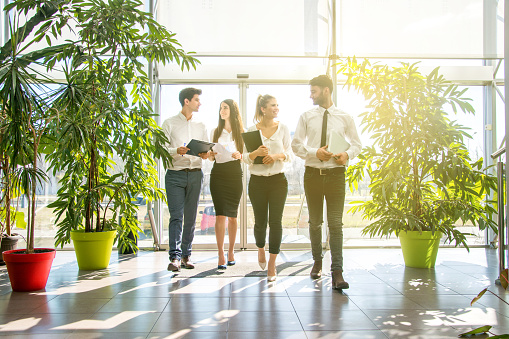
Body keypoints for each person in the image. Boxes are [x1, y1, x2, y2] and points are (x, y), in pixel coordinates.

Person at [292, 75, 362, 289]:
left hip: (336, 175)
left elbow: (357, 144)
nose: (310, 95)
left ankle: (337, 272)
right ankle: (317, 262)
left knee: (336, 224)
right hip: (312, 174)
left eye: (313, 91)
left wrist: (347, 155)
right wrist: (315, 152)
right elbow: (296, 145)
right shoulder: (306, 116)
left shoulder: (345, 116)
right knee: (314, 222)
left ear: (326, 91)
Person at [244, 94, 293, 282]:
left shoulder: (283, 128)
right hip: (257, 181)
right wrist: (256, 152)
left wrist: (276, 156)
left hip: (278, 181)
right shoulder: (251, 130)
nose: (277, 108)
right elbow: (245, 157)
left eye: (277, 105)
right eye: (273, 105)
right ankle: (260, 248)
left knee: (276, 222)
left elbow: (289, 153)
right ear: (263, 109)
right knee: (260, 222)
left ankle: (272, 264)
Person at [161, 87, 209, 272]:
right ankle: (174, 257)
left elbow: (206, 149)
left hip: (196, 173)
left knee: (190, 217)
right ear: (186, 101)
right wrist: (176, 150)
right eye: (197, 99)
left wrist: (206, 154)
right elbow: (161, 148)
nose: (200, 103)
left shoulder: (201, 125)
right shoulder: (169, 123)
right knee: (176, 217)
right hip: (175, 174)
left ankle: (186, 256)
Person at [208, 99, 244, 269]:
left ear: (232, 111)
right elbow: (211, 156)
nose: (222, 111)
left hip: (235, 174)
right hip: (219, 174)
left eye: (225, 108)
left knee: (233, 216)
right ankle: (221, 253)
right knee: (220, 214)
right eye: (221, 108)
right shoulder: (215, 132)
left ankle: (231, 251)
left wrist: (240, 155)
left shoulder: (241, 132)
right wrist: (209, 155)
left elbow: (248, 154)